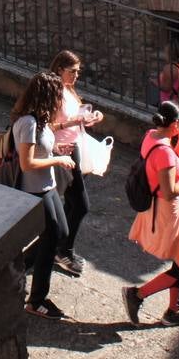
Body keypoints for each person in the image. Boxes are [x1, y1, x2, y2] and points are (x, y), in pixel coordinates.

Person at [123, 100, 179, 326]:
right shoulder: (164, 152)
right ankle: (137, 295)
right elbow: (170, 190)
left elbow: (171, 168)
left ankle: (173, 310)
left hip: (162, 209)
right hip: (168, 211)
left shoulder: (152, 136)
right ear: (176, 123)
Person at [13, 70, 76, 320]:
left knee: (61, 232)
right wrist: (58, 159)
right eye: (57, 96)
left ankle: (23, 266)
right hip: (34, 191)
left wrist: (58, 148)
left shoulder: (41, 119)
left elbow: (43, 147)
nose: (60, 100)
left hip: (46, 187)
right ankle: (37, 300)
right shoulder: (27, 123)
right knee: (52, 236)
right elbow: (27, 164)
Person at [49, 50, 104, 278]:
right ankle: (63, 251)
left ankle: (58, 247)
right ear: (59, 69)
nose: (76, 76)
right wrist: (74, 121)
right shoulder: (52, 92)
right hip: (63, 154)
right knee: (80, 206)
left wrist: (92, 117)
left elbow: (74, 118)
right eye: (72, 71)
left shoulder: (69, 90)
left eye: (78, 71)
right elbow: (48, 125)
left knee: (73, 205)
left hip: (75, 149)